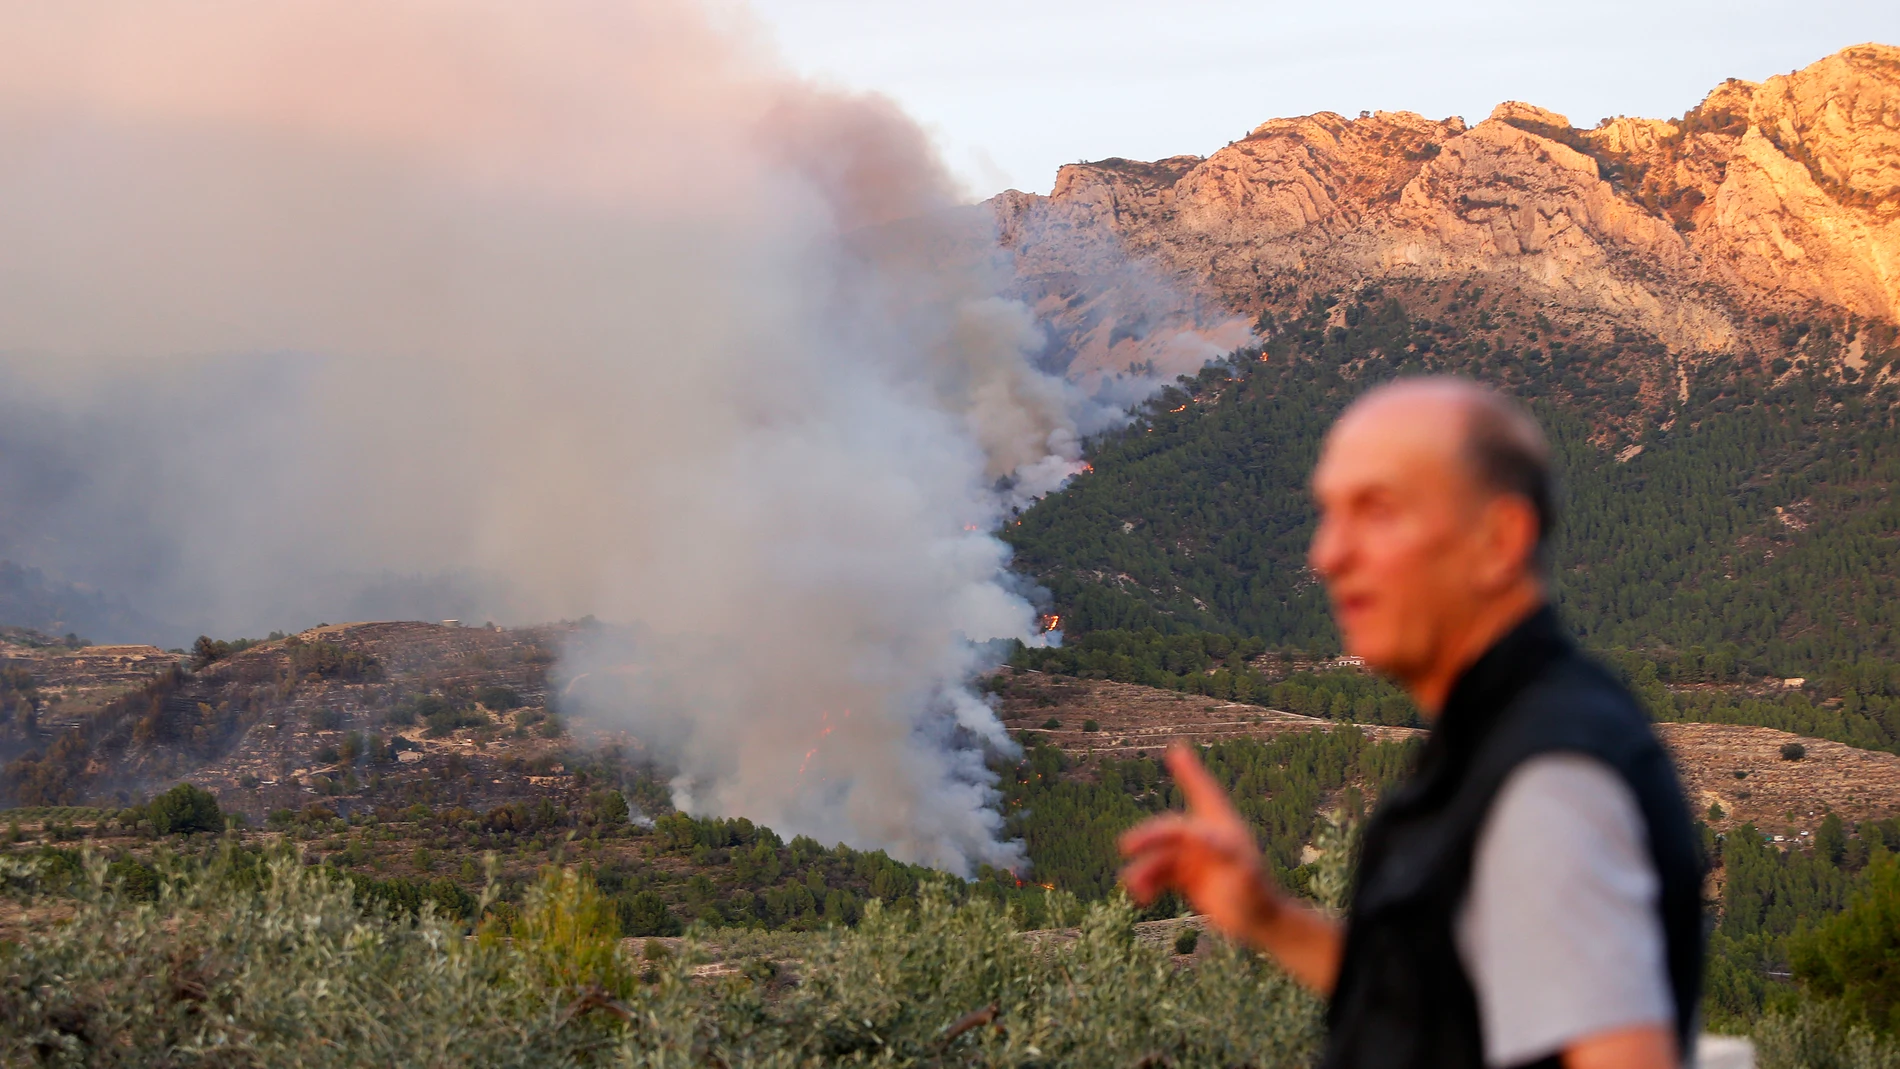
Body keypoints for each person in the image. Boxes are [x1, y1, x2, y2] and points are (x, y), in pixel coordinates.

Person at [1118, 379, 1704, 1069]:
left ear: (1499, 540)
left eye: (1376, 509)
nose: (1327, 554)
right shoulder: (1502, 733)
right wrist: (1267, 917)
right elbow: (1440, 1005)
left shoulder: (1549, 779)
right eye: (1328, 513)